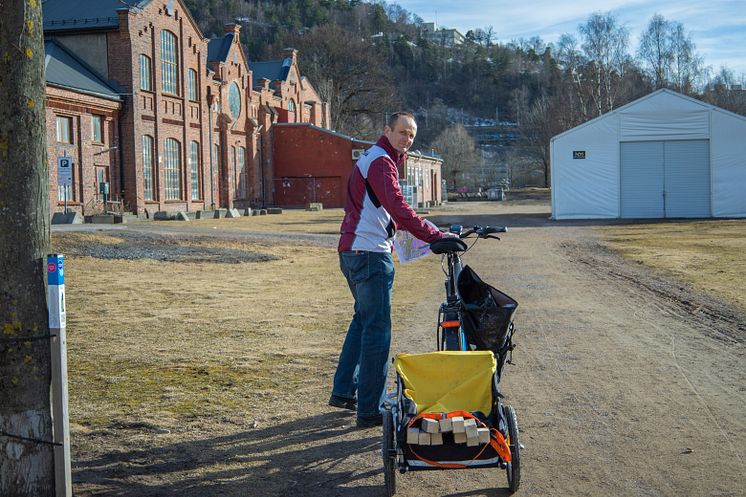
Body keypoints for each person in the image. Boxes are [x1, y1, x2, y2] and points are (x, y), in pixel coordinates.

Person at [329, 112, 450, 428]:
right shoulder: (382, 161)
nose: (407, 139)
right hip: (369, 254)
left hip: (353, 250)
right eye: (402, 132)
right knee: (377, 331)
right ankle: (370, 409)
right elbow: (397, 205)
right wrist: (434, 235)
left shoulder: (376, 157)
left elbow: (387, 210)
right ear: (387, 130)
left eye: (411, 135)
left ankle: (344, 390)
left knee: (363, 320)